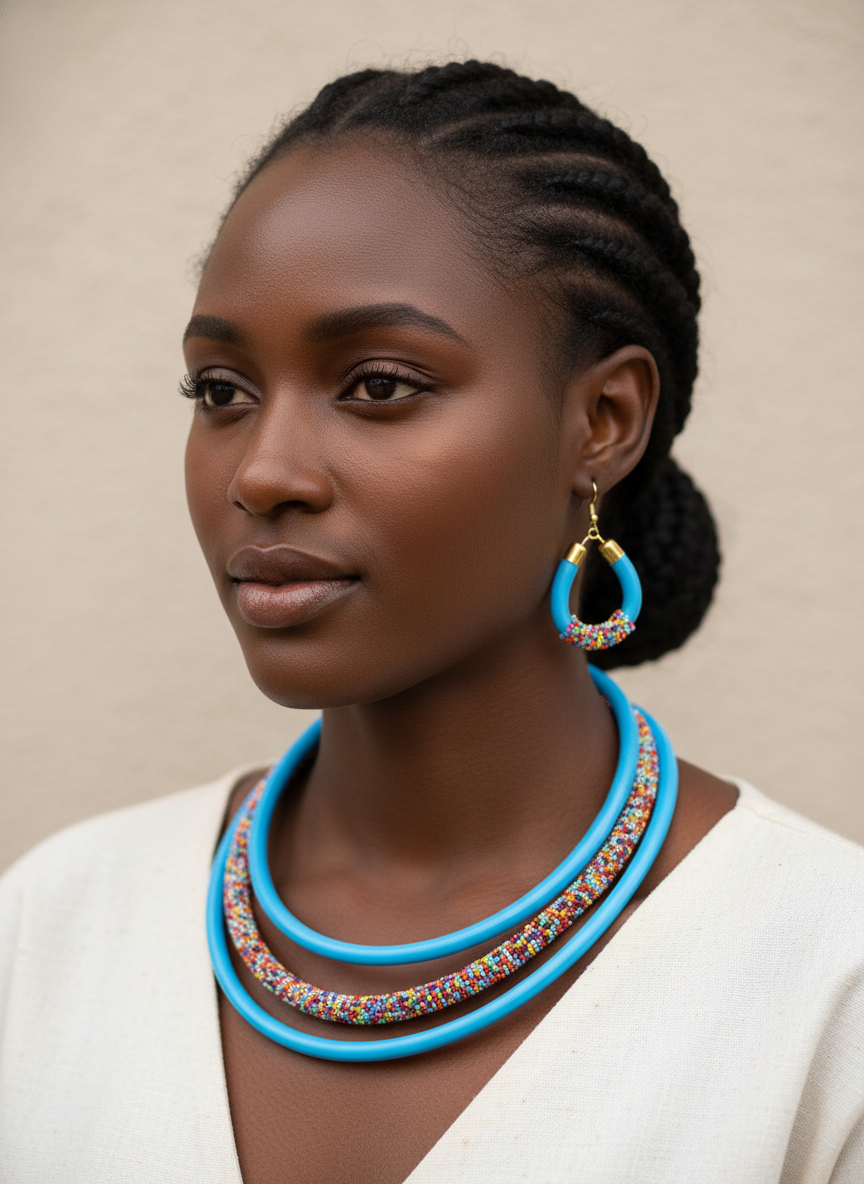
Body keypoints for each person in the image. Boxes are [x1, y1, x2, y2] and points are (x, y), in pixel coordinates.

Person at [0, 61, 861, 1184]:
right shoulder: (55, 926)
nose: (263, 471)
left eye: (380, 384)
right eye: (221, 390)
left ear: (601, 420)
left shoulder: (826, 980)